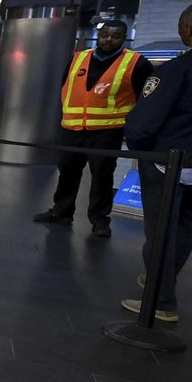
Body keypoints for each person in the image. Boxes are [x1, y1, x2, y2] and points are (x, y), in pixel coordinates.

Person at [119, 3, 192, 322]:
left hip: (167, 161)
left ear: (187, 27)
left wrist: (141, 150)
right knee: (188, 223)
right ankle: (163, 279)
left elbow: (142, 123)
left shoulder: (178, 69)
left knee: (161, 228)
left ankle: (161, 301)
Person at [33, 20, 153, 237]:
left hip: (107, 131)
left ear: (124, 38)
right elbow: (65, 86)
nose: (108, 39)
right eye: (105, 35)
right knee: (67, 172)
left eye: (114, 36)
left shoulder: (136, 63)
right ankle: (61, 212)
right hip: (72, 128)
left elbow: (145, 98)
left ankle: (99, 220)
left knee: (102, 176)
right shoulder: (79, 57)